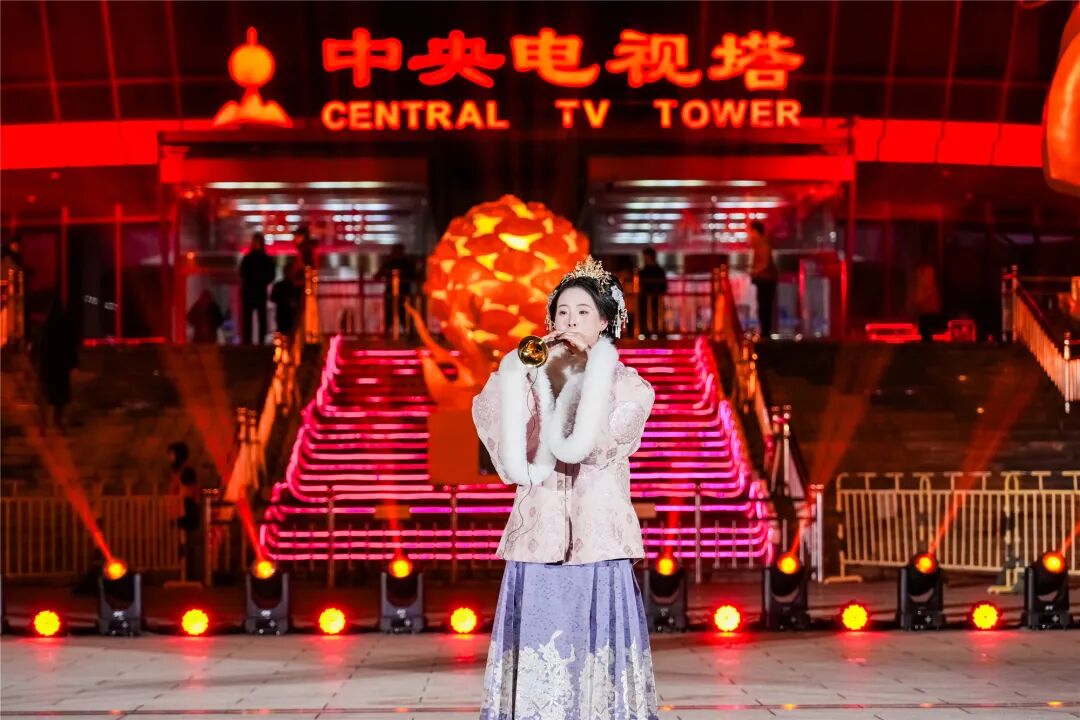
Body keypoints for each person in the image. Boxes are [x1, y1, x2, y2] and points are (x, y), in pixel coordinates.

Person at [473, 256, 658, 719]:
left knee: (596, 651)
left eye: (582, 312)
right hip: (540, 534)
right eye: (562, 312)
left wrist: (575, 381)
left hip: (598, 539)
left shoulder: (630, 386)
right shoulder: (533, 373)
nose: (570, 321)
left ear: (604, 322)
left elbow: (601, 446)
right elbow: (497, 427)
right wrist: (519, 376)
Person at [36, 299, 79, 429]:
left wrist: (39, 363)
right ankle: (57, 420)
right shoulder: (64, 326)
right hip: (61, 367)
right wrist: (73, 363)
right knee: (60, 397)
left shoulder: (46, 327)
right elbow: (70, 346)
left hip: (48, 367)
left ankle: (44, 423)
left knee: (45, 394)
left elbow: (41, 346)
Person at [167, 442, 200, 580]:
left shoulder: (186, 471)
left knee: (187, 543)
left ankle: (189, 575)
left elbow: (190, 491)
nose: (169, 457)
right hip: (180, 508)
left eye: (172, 454)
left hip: (186, 509)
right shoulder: (178, 472)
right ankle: (184, 574)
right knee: (182, 543)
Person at [238, 232, 276, 345]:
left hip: (255, 290)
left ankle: (256, 341)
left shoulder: (250, 259)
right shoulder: (253, 259)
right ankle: (250, 341)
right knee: (251, 317)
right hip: (254, 290)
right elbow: (242, 273)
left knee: (258, 317)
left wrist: (257, 281)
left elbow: (242, 273)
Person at [376, 244, 415, 337]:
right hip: (396, 293)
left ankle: (408, 333)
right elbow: (378, 275)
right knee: (393, 315)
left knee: (402, 315)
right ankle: (407, 334)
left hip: (401, 293)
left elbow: (378, 275)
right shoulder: (400, 263)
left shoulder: (403, 264)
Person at [749, 220, 778, 339]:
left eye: (751, 231)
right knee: (764, 305)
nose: (750, 234)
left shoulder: (762, 244)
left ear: (756, 231)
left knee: (764, 305)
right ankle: (765, 331)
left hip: (765, 280)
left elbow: (765, 262)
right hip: (765, 279)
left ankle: (765, 332)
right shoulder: (760, 244)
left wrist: (755, 271)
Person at [637, 247, 667, 337]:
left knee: (651, 318)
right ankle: (656, 333)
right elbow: (664, 287)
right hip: (651, 301)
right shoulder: (659, 271)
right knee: (653, 318)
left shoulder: (644, 272)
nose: (645, 260)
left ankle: (650, 333)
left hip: (650, 300)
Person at [270, 258, 303, 339]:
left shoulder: (292, 286)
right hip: (284, 314)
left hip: (287, 314)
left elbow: (273, 298)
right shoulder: (293, 286)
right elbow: (273, 298)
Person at [912, 257, 942, 343]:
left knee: (927, 333)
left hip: (929, 313)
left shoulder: (932, 290)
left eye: (931, 275)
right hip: (925, 313)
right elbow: (918, 299)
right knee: (926, 333)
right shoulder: (923, 290)